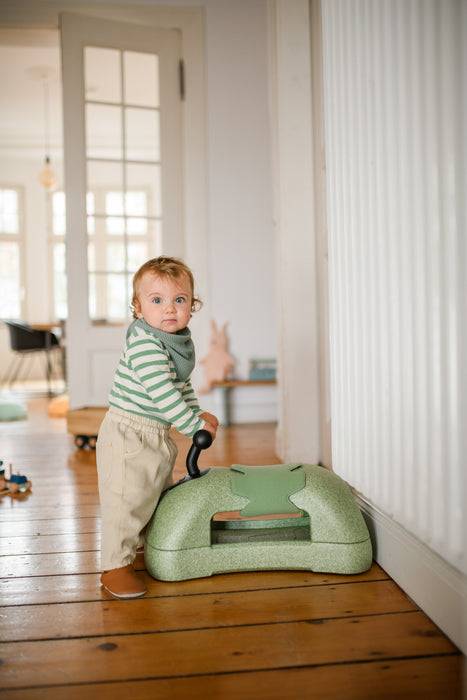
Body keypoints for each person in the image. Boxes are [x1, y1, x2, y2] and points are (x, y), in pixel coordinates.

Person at [96, 256, 219, 599]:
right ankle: (114, 567)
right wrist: (192, 425)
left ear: (192, 306)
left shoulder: (176, 343)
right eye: (157, 300)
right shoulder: (146, 343)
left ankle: (145, 551)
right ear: (137, 308)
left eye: (179, 300)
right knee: (126, 501)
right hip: (129, 435)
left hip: (156, 435)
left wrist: (198, 414)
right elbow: (163, 393)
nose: (169, 309)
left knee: (152, 496)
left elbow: (182, 387)